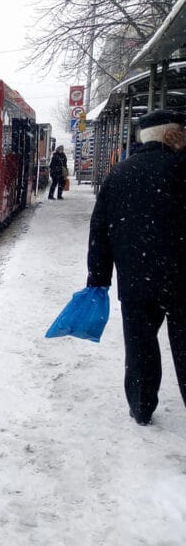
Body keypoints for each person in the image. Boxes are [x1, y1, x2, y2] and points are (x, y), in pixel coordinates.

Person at [86, 109, 186, 426]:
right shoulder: (181, 169)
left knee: (140, 346)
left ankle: (141, 407)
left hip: (136, 279)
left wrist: (98, 278)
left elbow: (99, 231)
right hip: (182, 278)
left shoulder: (118, 174)